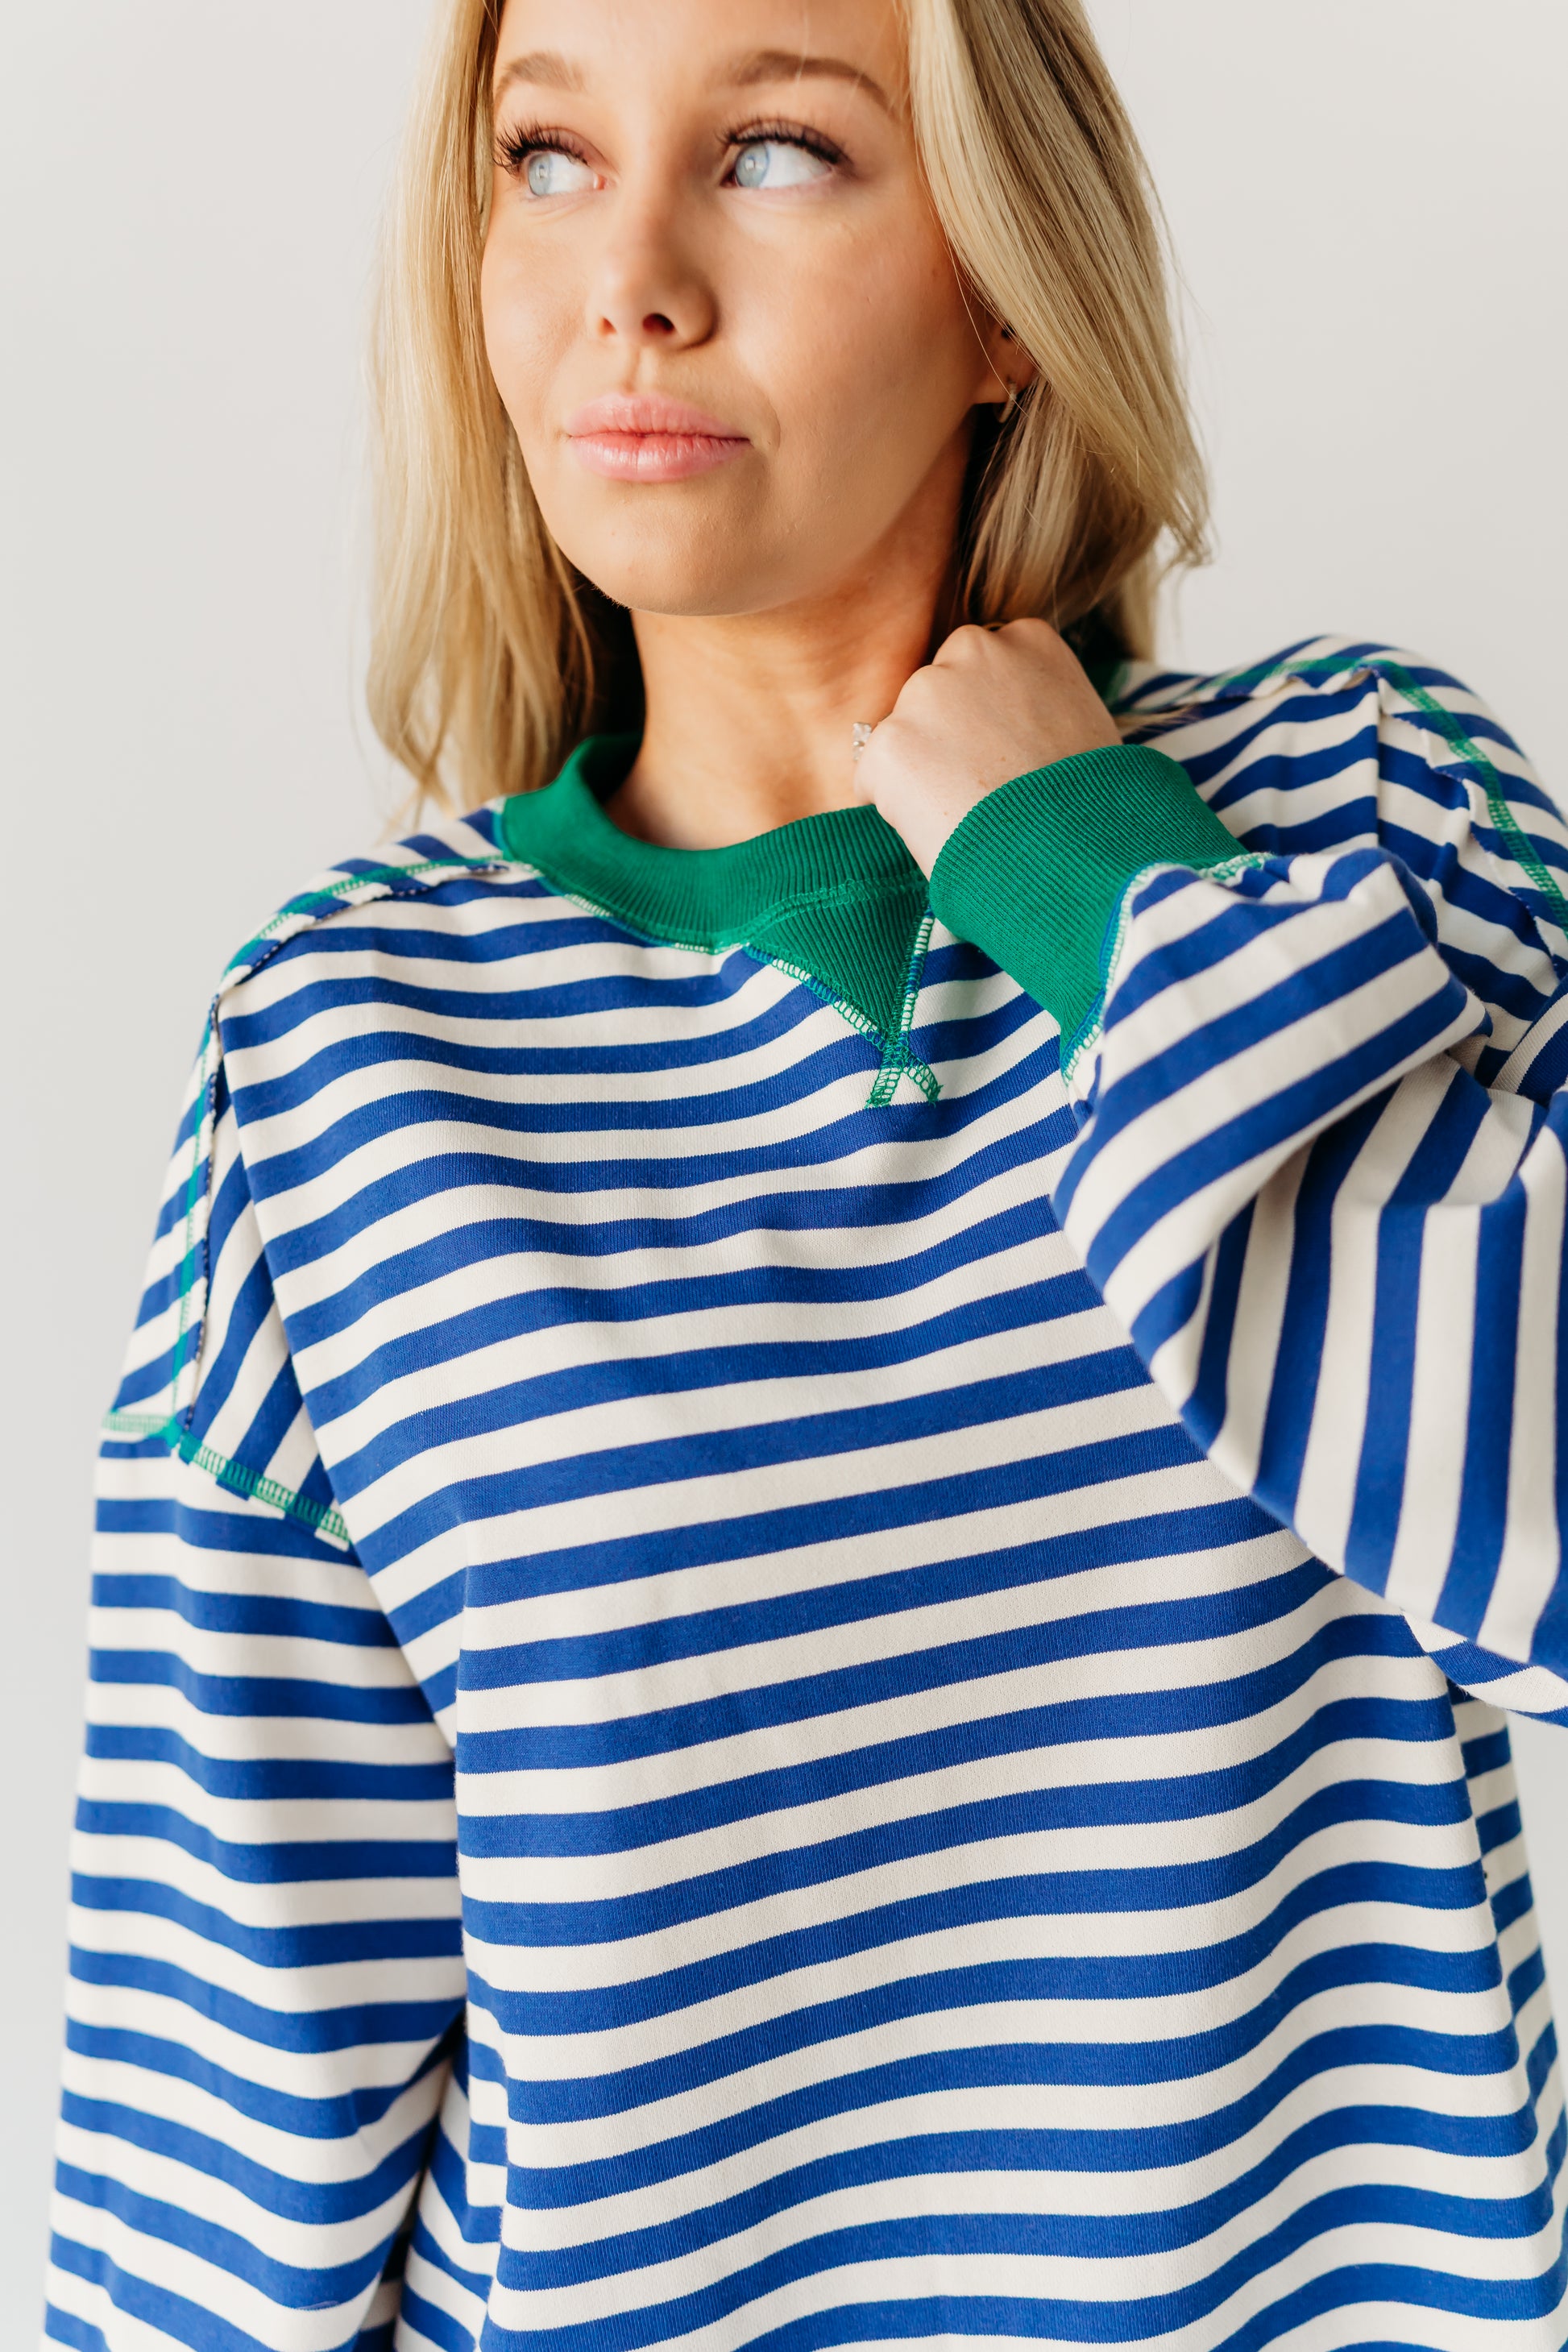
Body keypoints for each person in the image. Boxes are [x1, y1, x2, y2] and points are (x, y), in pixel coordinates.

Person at [44, 0, 1568, 2345]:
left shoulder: (1357, 821)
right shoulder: (335, 1049)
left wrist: (1098, 890)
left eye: (771, 150)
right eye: (547, 158)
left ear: (1005, 294)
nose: (628, 278)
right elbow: (222, 2096)